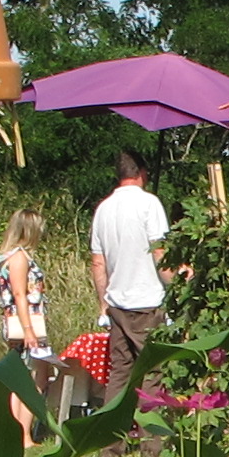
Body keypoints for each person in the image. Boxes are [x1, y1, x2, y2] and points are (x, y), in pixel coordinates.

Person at [85, 151, 171, 401]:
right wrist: (178, 285)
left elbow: (98, 262)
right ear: (141, 173)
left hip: (117, 304)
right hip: (146, 301)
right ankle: (151, 439)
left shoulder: (103, 209)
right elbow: (159, 253)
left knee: (119, 373)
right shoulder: (149, 204)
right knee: (153, 372)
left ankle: (112, 437)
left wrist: (104, 304)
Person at [0, 209, 56, 441]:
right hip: (26, 325)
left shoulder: (6, 257)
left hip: (19, 324)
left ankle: (20, 434)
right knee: (30, 379)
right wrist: (29, 330)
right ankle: (23, 435)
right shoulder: (19, 258)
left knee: (26, 376)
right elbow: (20, 294)